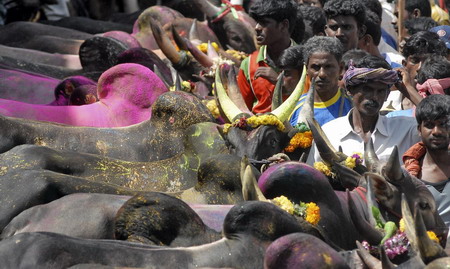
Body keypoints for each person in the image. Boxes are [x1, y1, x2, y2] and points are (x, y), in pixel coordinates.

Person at [307, 55, 421, 164]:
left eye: (380, 91)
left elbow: (437, 117)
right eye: (367, 89)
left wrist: (408, 89)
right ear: (350, 90)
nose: (374, 97)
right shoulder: (329, 132)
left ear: (387, 95)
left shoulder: (405, 129)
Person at [237, 0, 298, 114]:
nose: (257, 28)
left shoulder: (306, 60)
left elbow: (314, 101)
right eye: (257, 22)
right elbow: (242, 111)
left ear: (284, 25)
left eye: (264, 23)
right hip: (258, 129)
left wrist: (279, 81)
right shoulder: (249, 63)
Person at [403, 94, 450, 231]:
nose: (436, 131)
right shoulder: (406, 176)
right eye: (429, 125)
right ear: (419, 130)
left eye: (444, 124)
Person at [289, 36, 352, 126]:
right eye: (315, 67)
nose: (322, 74)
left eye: (328, 67)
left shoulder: (352, 107)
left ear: (340, 68)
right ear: (306, 69)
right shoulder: (293, 108)